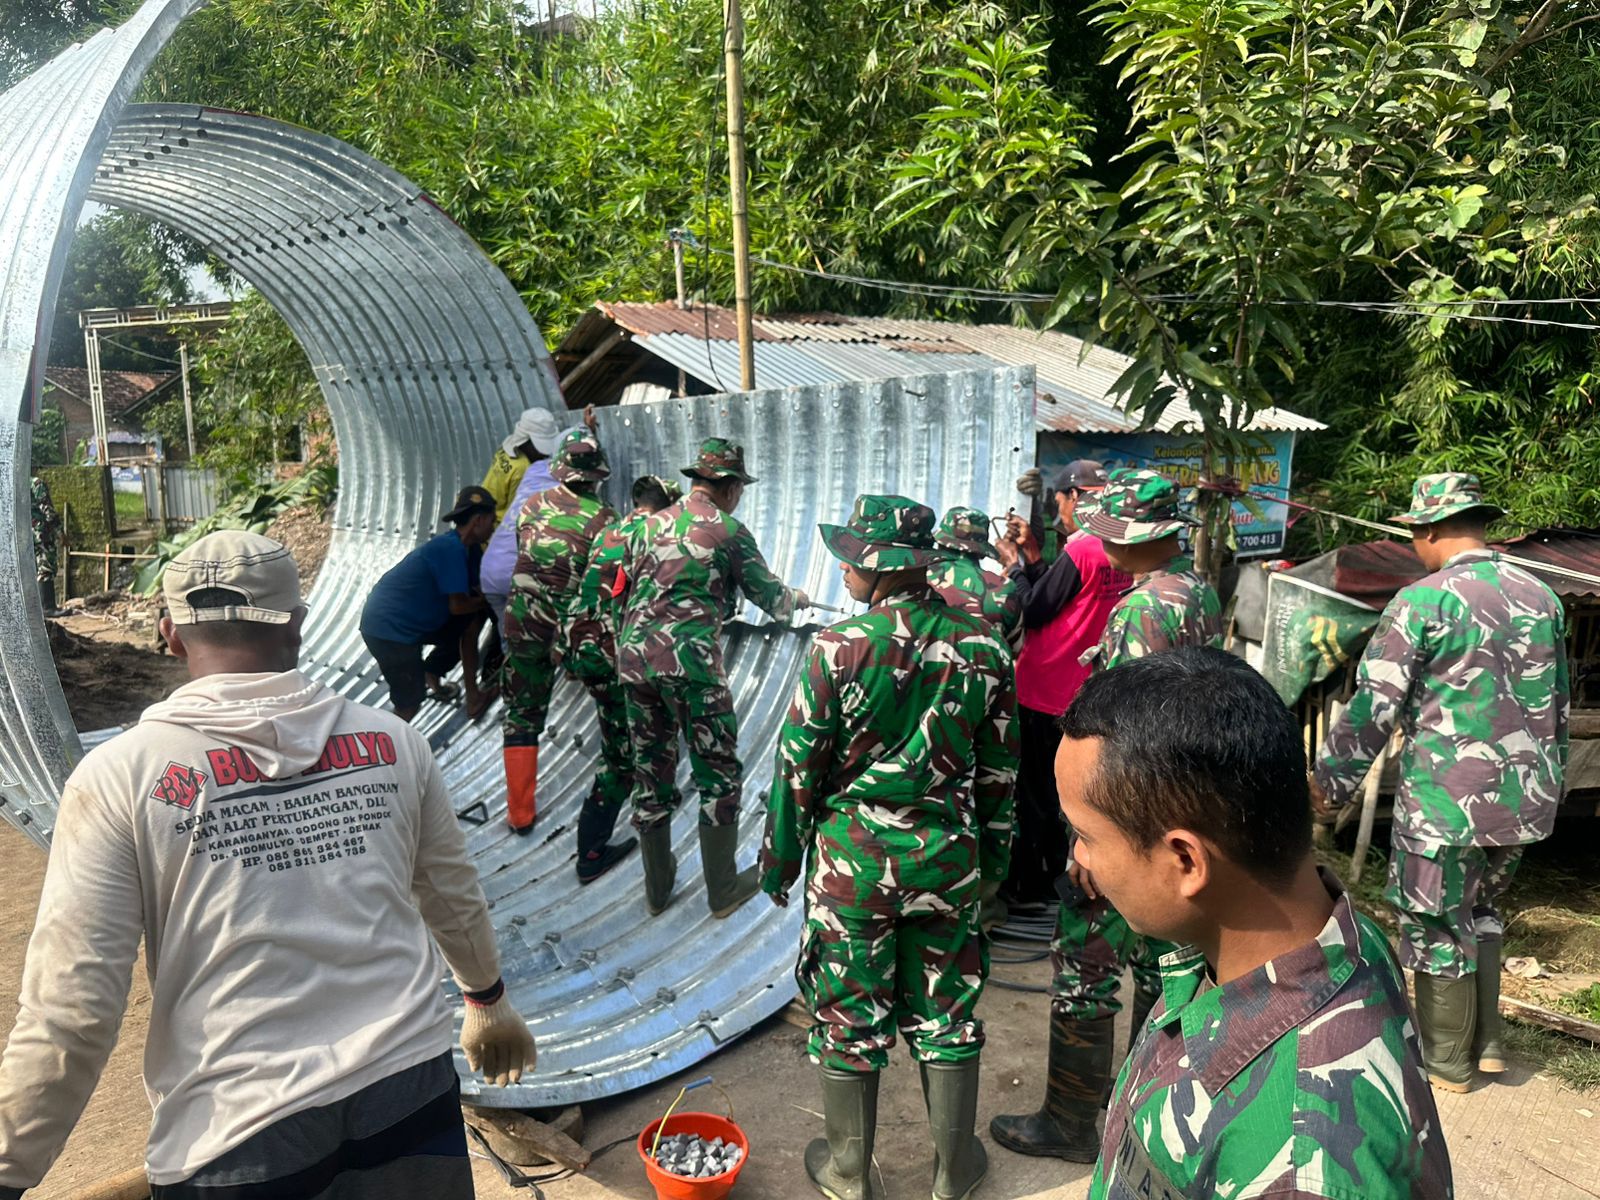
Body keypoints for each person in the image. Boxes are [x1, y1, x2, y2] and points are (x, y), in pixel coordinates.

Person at [0, 531, 536, 1200]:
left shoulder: (121, 777)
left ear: (169, 634)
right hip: (408, 1091)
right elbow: (449, 890)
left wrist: (10, 1166)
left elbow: (74, 1007)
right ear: (299, 624)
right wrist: (486, 999)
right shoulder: (394, 743)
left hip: (238, 1129)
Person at [1061, 648, 1454, 1199]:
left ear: (1186, 861)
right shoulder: (1330, 938)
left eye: (1085, 836)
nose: (1080, 858)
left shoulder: (1302, 1167)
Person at [761, 494, 1017, 1200]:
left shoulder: (838, 648)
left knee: (848, 1012)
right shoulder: (985, 647)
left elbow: (797, 770)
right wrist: (991, 870)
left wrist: (780, 862)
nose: (843, 572)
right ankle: (952, 1172)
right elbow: (999, 776)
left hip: (853, 867)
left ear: (878, 570)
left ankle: (848, 1174)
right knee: (948, 1011)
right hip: (947, 860)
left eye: (851, 561)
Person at [1310, 472, 1568, 1094]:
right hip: (1525, 802)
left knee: (1432, 921)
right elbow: (1555, 703)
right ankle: (1488, 1046)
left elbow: (1374, 707)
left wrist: (1327, 787)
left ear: (1426, 530)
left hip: (1446, 803)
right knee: (1482, 909)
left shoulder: (1423, 601)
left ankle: (1446, 1063)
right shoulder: (1544, 598)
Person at [993, 467, 1222, 1162]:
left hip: (1133, 821)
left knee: (1085, 967)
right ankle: (1143, 1101)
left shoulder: (1143, 611)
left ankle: (1070, 1121)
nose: (1104, 545)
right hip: (1179, 812)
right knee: (1162, 963)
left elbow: (1126, 739)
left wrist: (1092, 843)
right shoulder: (1198, 591)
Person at [617, 437, 809, 919]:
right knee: (718, 774)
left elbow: (622, 593)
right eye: (739, 488)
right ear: (726, 487)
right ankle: (722, 891)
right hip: (692, 668)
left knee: (651, 770)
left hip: (635, 663)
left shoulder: (645, 526)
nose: (739, 496)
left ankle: (657, 890)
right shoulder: (727, 531)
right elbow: (773, 600)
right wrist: (798, 598)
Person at [501, 429, 640, 890]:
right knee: (614, 712)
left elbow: (527, 553)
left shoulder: (531, 506)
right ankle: (610, 807)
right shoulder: (605, 518)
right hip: (570, 629)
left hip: (521, 618)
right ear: (596, 477)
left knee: (523, 711)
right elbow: (609, 581)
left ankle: (520, 813)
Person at [993, 460, 1124, 907]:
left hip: (1046, 689)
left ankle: (1032, 886)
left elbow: (1032, 608)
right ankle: (1064, 874)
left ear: (1075, 498)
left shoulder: (1084, 548)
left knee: (1037, 796)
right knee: (1074, 793)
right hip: (1087, 688)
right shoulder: (1117, 549)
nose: (1059, 511)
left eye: (1060, 501)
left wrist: (1012, 567)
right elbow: (1066, 593)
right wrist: (1032, 557)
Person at [361, 485, 499, 722]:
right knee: (410, 701)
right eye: (492, 521)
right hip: (388, 630)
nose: (494, 527)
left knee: (471, 621)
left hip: (413, 623)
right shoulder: (450, 549)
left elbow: (477, 592)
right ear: (478, 520)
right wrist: (489, 602)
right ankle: (388, 750)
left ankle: (450, 683)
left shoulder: (470, 549)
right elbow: (458, 606)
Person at [928, 505, 1022, 648]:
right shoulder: (1005, 589)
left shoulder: (920, 578)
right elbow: (1016, 649)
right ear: (982, 552)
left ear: (940, 543)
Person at [482, 407, 561, 524]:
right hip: (498, 525)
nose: (544, 454)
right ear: (527, 441)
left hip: (484, 510)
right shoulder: (523, 470)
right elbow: (517, 512)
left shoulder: (507, 449)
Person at [29, 475, 63, 616]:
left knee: (31, 570)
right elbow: (48, 510)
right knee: (45, 567)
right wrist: (60, 532)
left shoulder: (13, 484)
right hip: (40, 533)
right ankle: (48, 607)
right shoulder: (36, 483)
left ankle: (35, 608)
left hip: (24, 534)